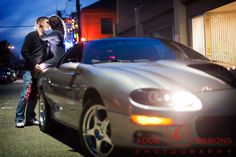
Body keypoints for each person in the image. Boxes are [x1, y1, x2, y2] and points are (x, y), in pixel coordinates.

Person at [15, 16, 49, 128]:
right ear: (40, 24)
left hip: (40, 71)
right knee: (25, 94)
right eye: (46, 23)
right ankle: (19, 118)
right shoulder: (31, 36)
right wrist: (34, 64)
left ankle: (30, 118)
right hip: (29, 69)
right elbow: (24, 51)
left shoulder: (46, 38)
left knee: (35, 95)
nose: (48, 25)